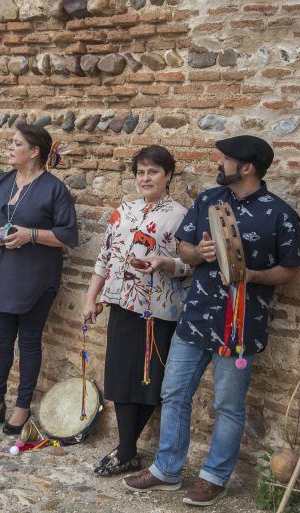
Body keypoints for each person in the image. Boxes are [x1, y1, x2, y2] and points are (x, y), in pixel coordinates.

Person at [125, 136, 300, 507]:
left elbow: (288, 269)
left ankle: (214, 477)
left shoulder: (281, 214)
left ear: (248, 168)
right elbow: (183, 249)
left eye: (226, 158)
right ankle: (166, 469)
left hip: (240, 328)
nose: (219, 162)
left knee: (228, 406)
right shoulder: (208, 200)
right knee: (174, 393)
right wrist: (200, 253)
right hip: (195, 319)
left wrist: (251, 275)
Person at [82, 145, 192, 477]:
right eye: (141, 172)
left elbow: (190, 264)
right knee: (120, 378)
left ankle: (127, 449)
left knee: (149, 380)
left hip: (158, 309)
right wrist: (91, 298)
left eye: (153, 172)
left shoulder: (181, 215)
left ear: (168, 175)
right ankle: (127, 448)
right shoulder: (123, 210)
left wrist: (164, 263)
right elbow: (104, 258)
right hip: (121, 304)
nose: (145, 178)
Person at [0, 124, 78, 434]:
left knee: (29, 342)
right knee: (1, 341)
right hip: (4, 275)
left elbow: (67, 235)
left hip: (37, 279)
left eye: (15, 143)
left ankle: (21, 405)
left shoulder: (54, 189)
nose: (9, 147)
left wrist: (30, 235)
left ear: (34, 152)